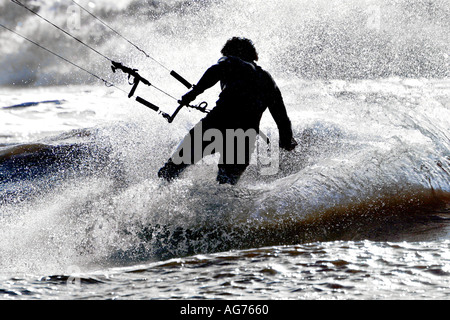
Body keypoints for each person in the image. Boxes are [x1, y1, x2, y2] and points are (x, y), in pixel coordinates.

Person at [158, 37, 297, 185]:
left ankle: (154, 202)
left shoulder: (232, 61)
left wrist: (193, 93)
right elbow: (282, 118)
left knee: (169, 171)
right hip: (244, 137)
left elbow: (216, 70)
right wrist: (286, 140)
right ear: (253, 55)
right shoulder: (268, 81)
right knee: (225, 187)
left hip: (216, 125)